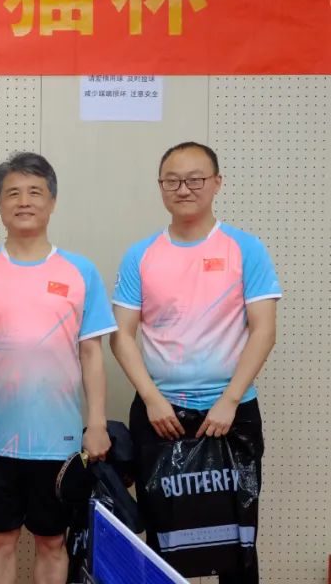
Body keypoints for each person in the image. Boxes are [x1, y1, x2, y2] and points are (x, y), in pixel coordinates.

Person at [111, 142, 280, 583]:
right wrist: (152, 399)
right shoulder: (141, 255)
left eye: (195, 179)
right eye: (172, 181)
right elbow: (121, 336)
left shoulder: (245, 248)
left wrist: (229, 400)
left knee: (237, 539)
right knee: (163, 538)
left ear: (217, 183)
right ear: (161, 187)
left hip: (232, 413)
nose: (183, 189)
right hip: (160, 415)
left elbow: (263, 330)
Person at [0, 152, 116, 584]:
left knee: (52, 541)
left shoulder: (80, 272)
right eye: (13, 193)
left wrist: (97, 424)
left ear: (52, 201)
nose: (24, 202)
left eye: (35, 192)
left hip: (59, 440)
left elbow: (92, 354)